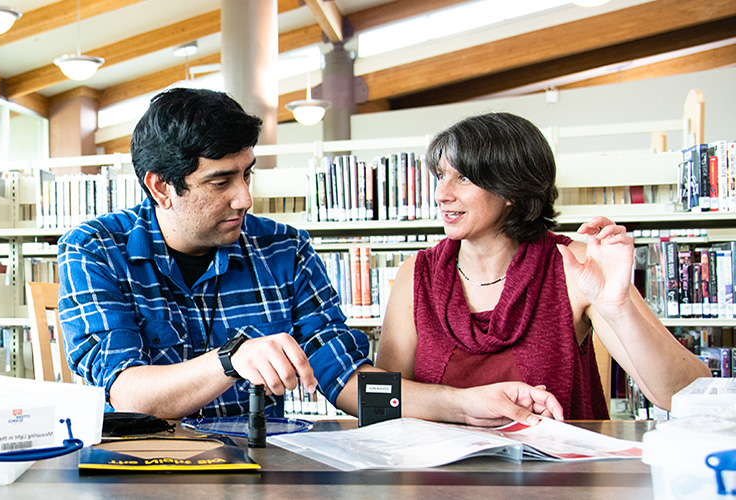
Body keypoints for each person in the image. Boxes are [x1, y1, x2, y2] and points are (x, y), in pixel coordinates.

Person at [58, 88, 563, 426]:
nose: (244, 199)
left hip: (264, 473)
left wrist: (467, 403)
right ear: (161, 186)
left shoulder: (286, 249)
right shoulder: (95, 249)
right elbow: (127, 395)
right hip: (146, 477)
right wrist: (232, 361)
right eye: (220, 181)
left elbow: (349, 383)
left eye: (247, 174)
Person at [375, 112, 710, 418]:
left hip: (555, 478)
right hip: (438, 478)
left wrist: (619, 308)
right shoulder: (417, 274)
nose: (441, 194)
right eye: (440, 176)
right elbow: (383, 402)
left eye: (463, 178)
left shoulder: (575, 265)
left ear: (512, 191)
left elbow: (685, 395)